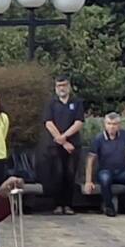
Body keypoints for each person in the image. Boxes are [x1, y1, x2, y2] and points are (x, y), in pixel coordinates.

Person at [40, 79, 87, 215]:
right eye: (59, 86)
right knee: (58, 174)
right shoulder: (51, 103)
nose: (61, 88)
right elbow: (48, 123)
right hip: (55, 146)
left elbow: (79, 122)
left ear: (69, 87)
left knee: (70, 174)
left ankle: (68, 205)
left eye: (64, 85)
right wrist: (62, 141)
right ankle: (57, 205)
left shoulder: (77, 102)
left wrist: (65, 137)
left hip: (73, 145)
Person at [85, 113, 125, 216]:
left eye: (114, 124)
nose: (111, 126)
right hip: (105, 171)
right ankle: (109, 207)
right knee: (105, 179)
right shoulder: (99, 138)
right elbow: (90, 160)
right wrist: (88, 181)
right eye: (109, 123)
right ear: (105, 124)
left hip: (122, 172)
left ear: (119, 125)